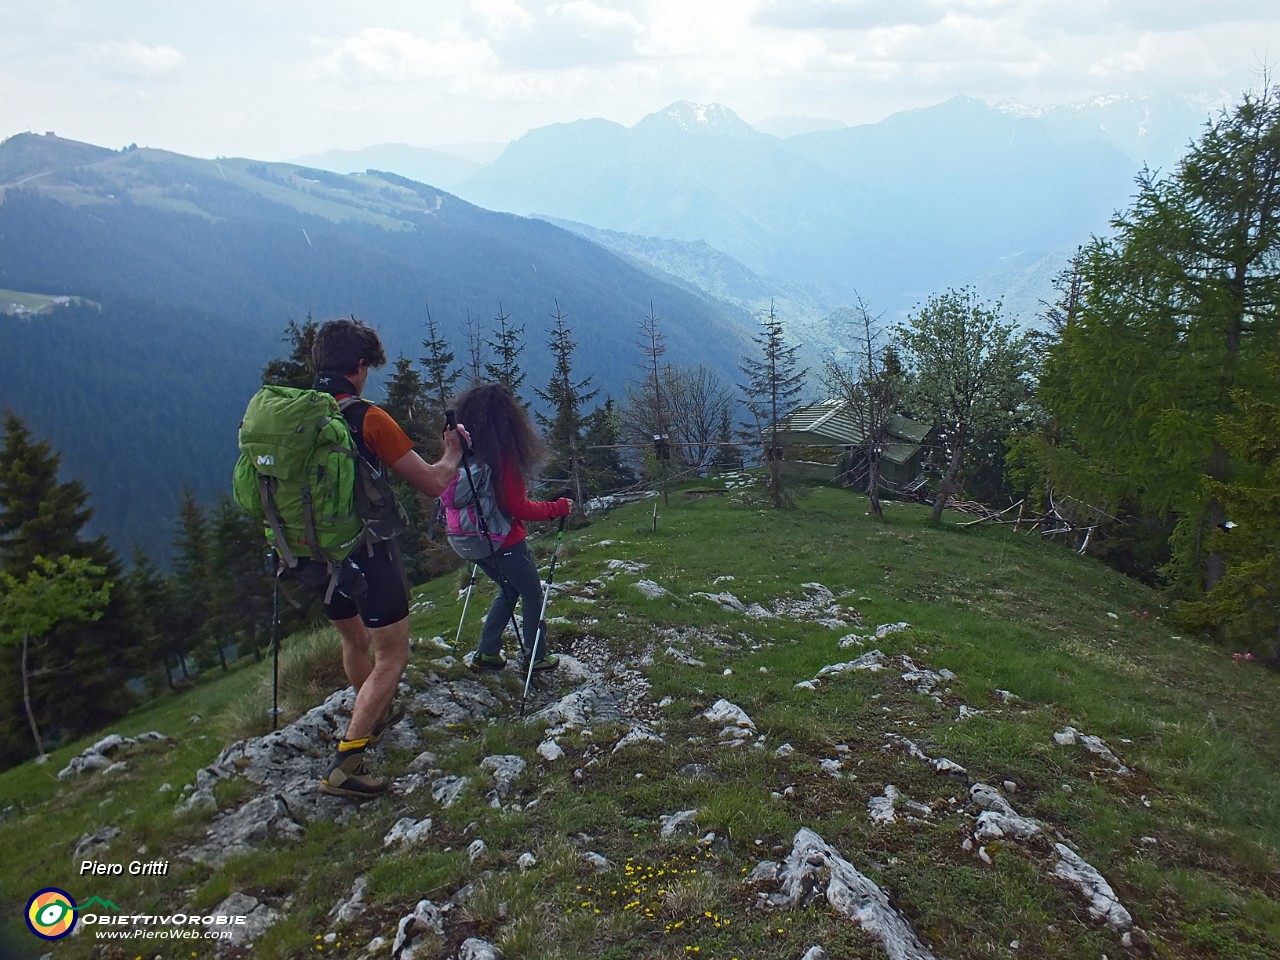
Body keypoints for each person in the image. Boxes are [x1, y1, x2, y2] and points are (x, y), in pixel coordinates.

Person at [301, 318, 470, 800]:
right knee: (392, 655)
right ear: (358, 366)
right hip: (367, 552)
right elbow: (436, 483)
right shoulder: (368, 418)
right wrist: (452, 452)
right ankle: (344, 765)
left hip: (316, 555)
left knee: (355, 642)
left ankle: (367, 714)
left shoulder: (299, 416)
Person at [451, 381, 572, 673]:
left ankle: (488, 652)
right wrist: (557, 509)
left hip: (469, 540)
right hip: (505, 542)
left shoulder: (465, 456)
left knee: (507, 587)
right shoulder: (503, 459)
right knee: (531, 593)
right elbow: (517, 507)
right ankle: (537, 656)